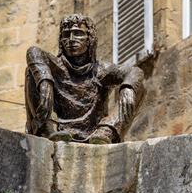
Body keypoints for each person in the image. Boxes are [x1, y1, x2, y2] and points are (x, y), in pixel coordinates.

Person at [25, 14, 144, 144]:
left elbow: (134, 71)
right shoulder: (55, 66)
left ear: (89, 39)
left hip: (94, 135)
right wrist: (45, 80)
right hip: (58, 132)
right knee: (33, 71)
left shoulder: (101, 70)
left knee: (136, 86)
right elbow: (34, 51)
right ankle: (45, 129)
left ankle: (107, 130)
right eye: (66, 35)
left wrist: (128, 88)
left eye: (78, 33)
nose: (71, 39)